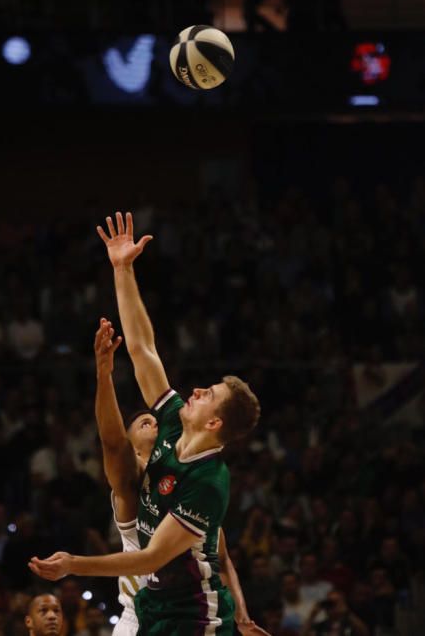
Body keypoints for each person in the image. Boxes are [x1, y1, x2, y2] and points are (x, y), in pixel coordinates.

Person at [29, 212, 261, 636]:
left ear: (213, 422)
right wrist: (122, 269)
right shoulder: (172, 420)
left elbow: (151, 558)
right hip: (153, 604)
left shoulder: (209, 482)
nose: (194, 392)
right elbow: (141, 348)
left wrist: (74, 565)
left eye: (207, 395)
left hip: (195, 615)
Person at [93, 317, 269, 635]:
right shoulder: (131, 484)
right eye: (145, 424)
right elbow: (112, 441)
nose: (156, 423)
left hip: (185, 615)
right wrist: (104, 375)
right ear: (133, 448)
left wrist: (242, 616)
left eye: (154, 419)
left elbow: (222, 557)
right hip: (139, 615)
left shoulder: (194, 482)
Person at [301, 590, 369, 636]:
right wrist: (312, 615)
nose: (331, 606)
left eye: (335, 602)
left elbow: (365, 633)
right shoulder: (321, 626)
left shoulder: (350, 623)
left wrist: (347, 612)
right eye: (329, 603)